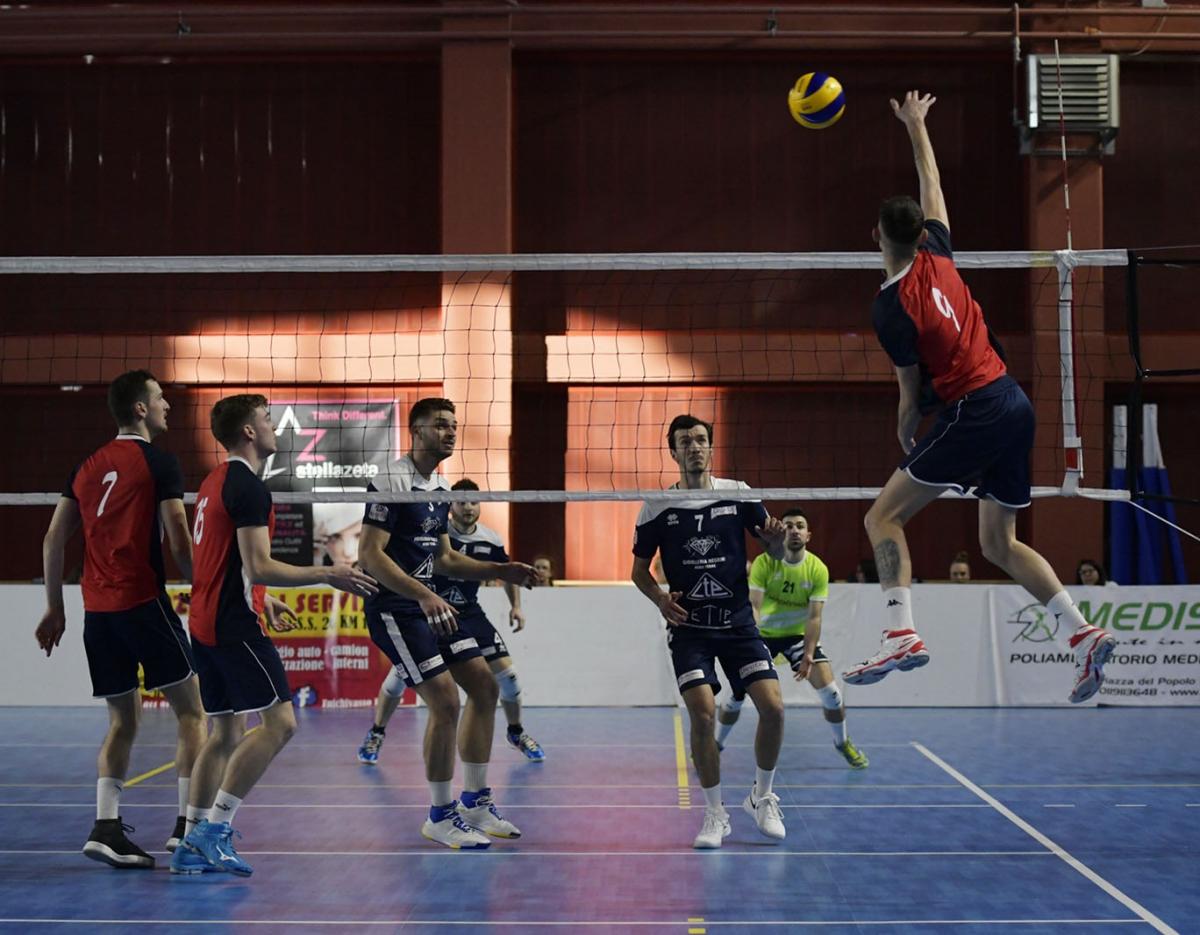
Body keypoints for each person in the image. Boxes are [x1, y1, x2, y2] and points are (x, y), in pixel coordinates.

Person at [842, 90, 1116, 704]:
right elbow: (931, 180)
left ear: (878, 238)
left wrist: (906, 430)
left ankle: (900, 632)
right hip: (1013, 402)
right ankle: (1083, 635)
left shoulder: (889, 306)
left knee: (881, 516)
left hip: (973, 409)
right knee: (999, 543)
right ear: (921, 234)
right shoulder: (939, 250)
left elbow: (911, 394)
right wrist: (916, 125)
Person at [169, 395, 377, 876]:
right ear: (247, 431)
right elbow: (260, 564)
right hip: (234, 625)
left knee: (223, 734)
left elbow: (223, 561)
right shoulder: (248, 487)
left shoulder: (214, 480)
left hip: (204, 621)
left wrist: (264, 596)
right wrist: (328, 574)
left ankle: (188, 841)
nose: (274, 428)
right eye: (266, 419)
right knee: (281, 724)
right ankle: (214, 831)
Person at [35, 369, 206, 870]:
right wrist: (207, 586)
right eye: (160, 399)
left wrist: (55, 606)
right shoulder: (159, 463)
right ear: (139, 409)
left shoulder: (86, 466)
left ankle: (106, 828)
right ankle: (187, 829)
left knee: (122, 721)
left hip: (98, 612)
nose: (167, 407)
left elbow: (52, 540)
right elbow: (177, 533)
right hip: (143, 603)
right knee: (192, 713)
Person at [357, 398, 539, 850]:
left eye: (454, 426)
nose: (450, 433)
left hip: (433, 606)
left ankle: (475, 801)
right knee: (444, 700)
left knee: (485, 687)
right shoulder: (391, 481)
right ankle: (440, 815)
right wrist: (423, 594)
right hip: (396, 609)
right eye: (440, 425)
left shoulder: (439, 489)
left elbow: (445, 558)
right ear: (415, 431)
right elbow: (370, 556)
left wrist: (502, 570)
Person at [631, 414, 788, 850]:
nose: (695, 447)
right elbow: (639, 572)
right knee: (703, 713)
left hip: (738, 623)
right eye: (685, 441)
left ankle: (761, 796)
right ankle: (715, 813)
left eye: (701, 439)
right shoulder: (657, 507)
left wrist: (776, 541)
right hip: (690, 630)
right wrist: (661, 600)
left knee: (773, 709)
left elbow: (772, 548)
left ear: (711, 447)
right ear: (673, 451)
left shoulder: (738, 493)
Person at [357, 477, 546, 765]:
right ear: (449, 506)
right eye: (462, 502)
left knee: (504, 679)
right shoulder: (435, 531)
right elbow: (386, 555)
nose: (469, 507)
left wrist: (516, 606)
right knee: (400, 678)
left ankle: (516, 732)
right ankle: (377, 732)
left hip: (469, 613)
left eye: (474, 502)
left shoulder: (491, 538)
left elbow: (505, 573)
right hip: (431, 608)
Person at [716, 510, 868, 769]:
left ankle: (841, 742)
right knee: (735, 696)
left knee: (832, 694)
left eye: (800, 526)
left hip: (797, 637)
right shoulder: (765, 563)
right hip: (761, 636)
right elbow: (754, 605)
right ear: (781, 532)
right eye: (788, 526)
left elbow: (814, 617)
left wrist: (809, 653)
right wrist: (751, 645)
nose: (794, 530)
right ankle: (715, 745)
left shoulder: (817, 568)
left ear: (808, 535)